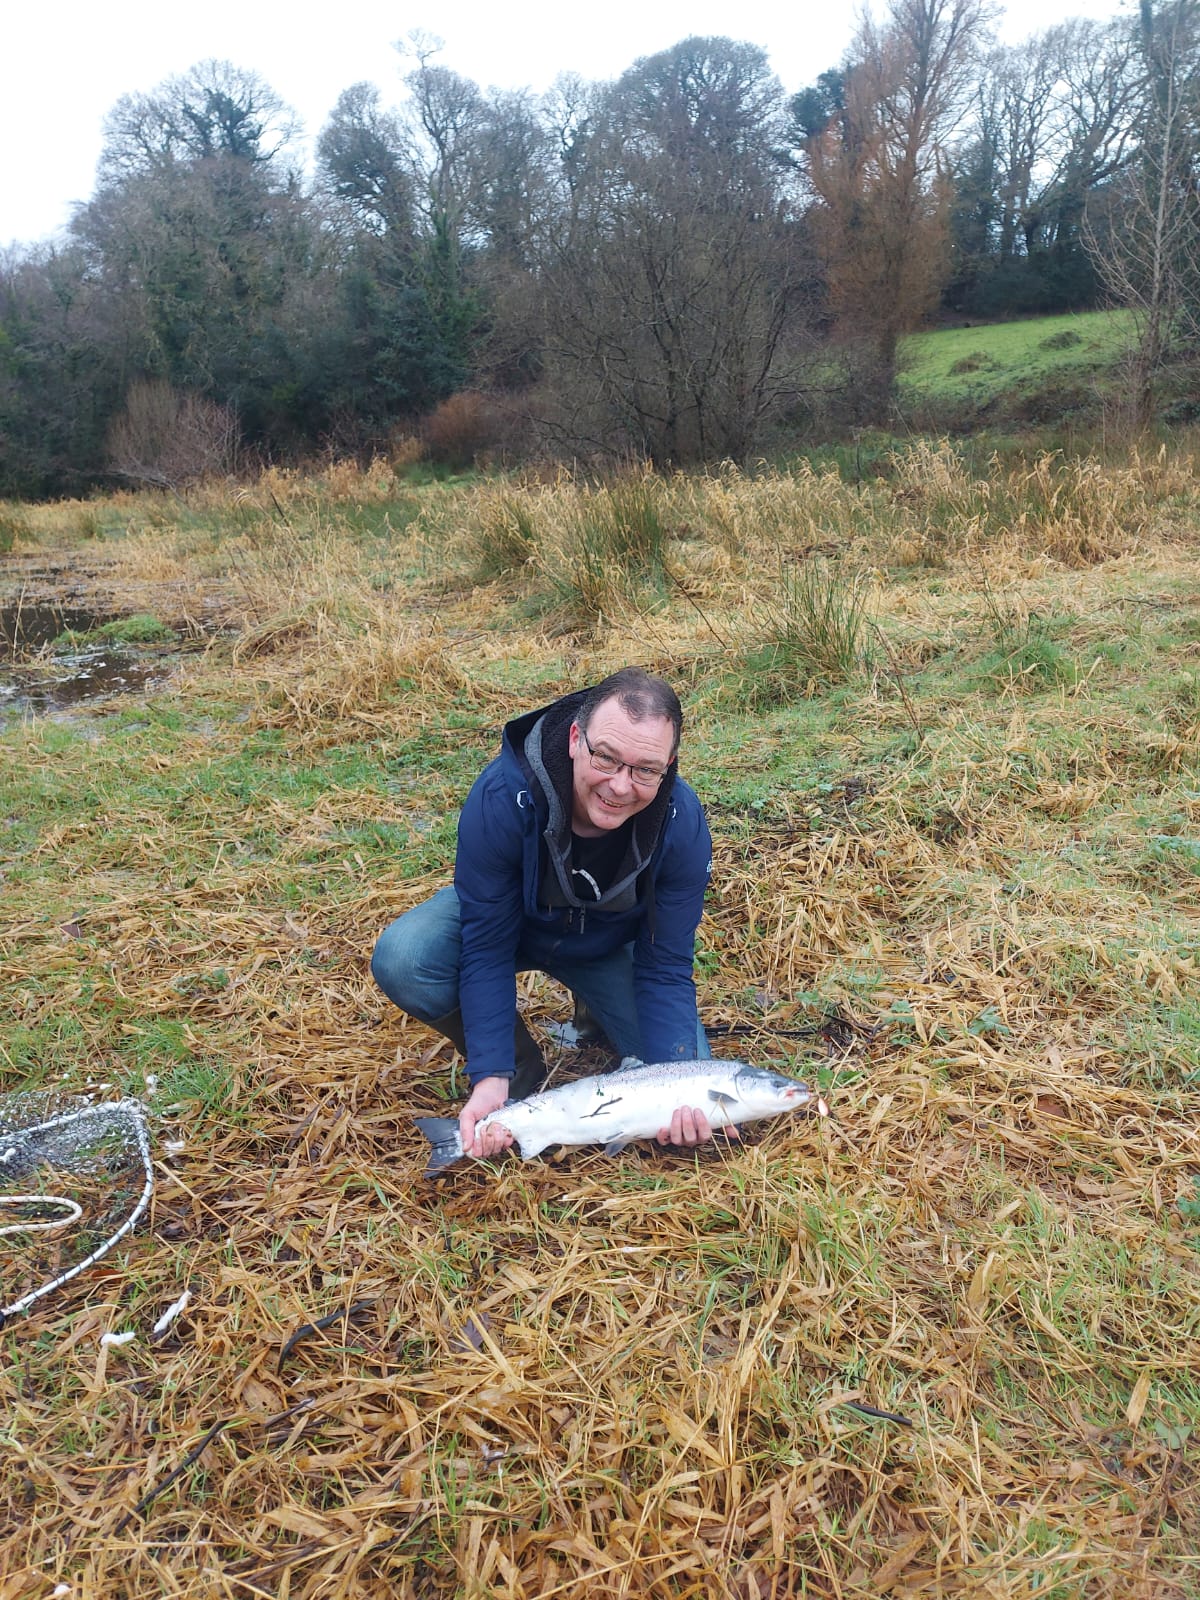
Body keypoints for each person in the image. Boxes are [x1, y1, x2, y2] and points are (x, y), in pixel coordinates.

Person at [371, 666, 729, 1160]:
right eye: (606, 758)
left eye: (645, 769)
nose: (621, 786)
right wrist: (491, 1075)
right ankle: (518, 1071)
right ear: (576, 739)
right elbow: (486, 947)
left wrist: (678, 1083)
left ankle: (599, 1011)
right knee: (406, 956)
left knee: (696, 1085)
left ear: (668, 764)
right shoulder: (503, 796)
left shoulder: (680, 821)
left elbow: (666, 964)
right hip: (511, 926)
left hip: (605, 945)